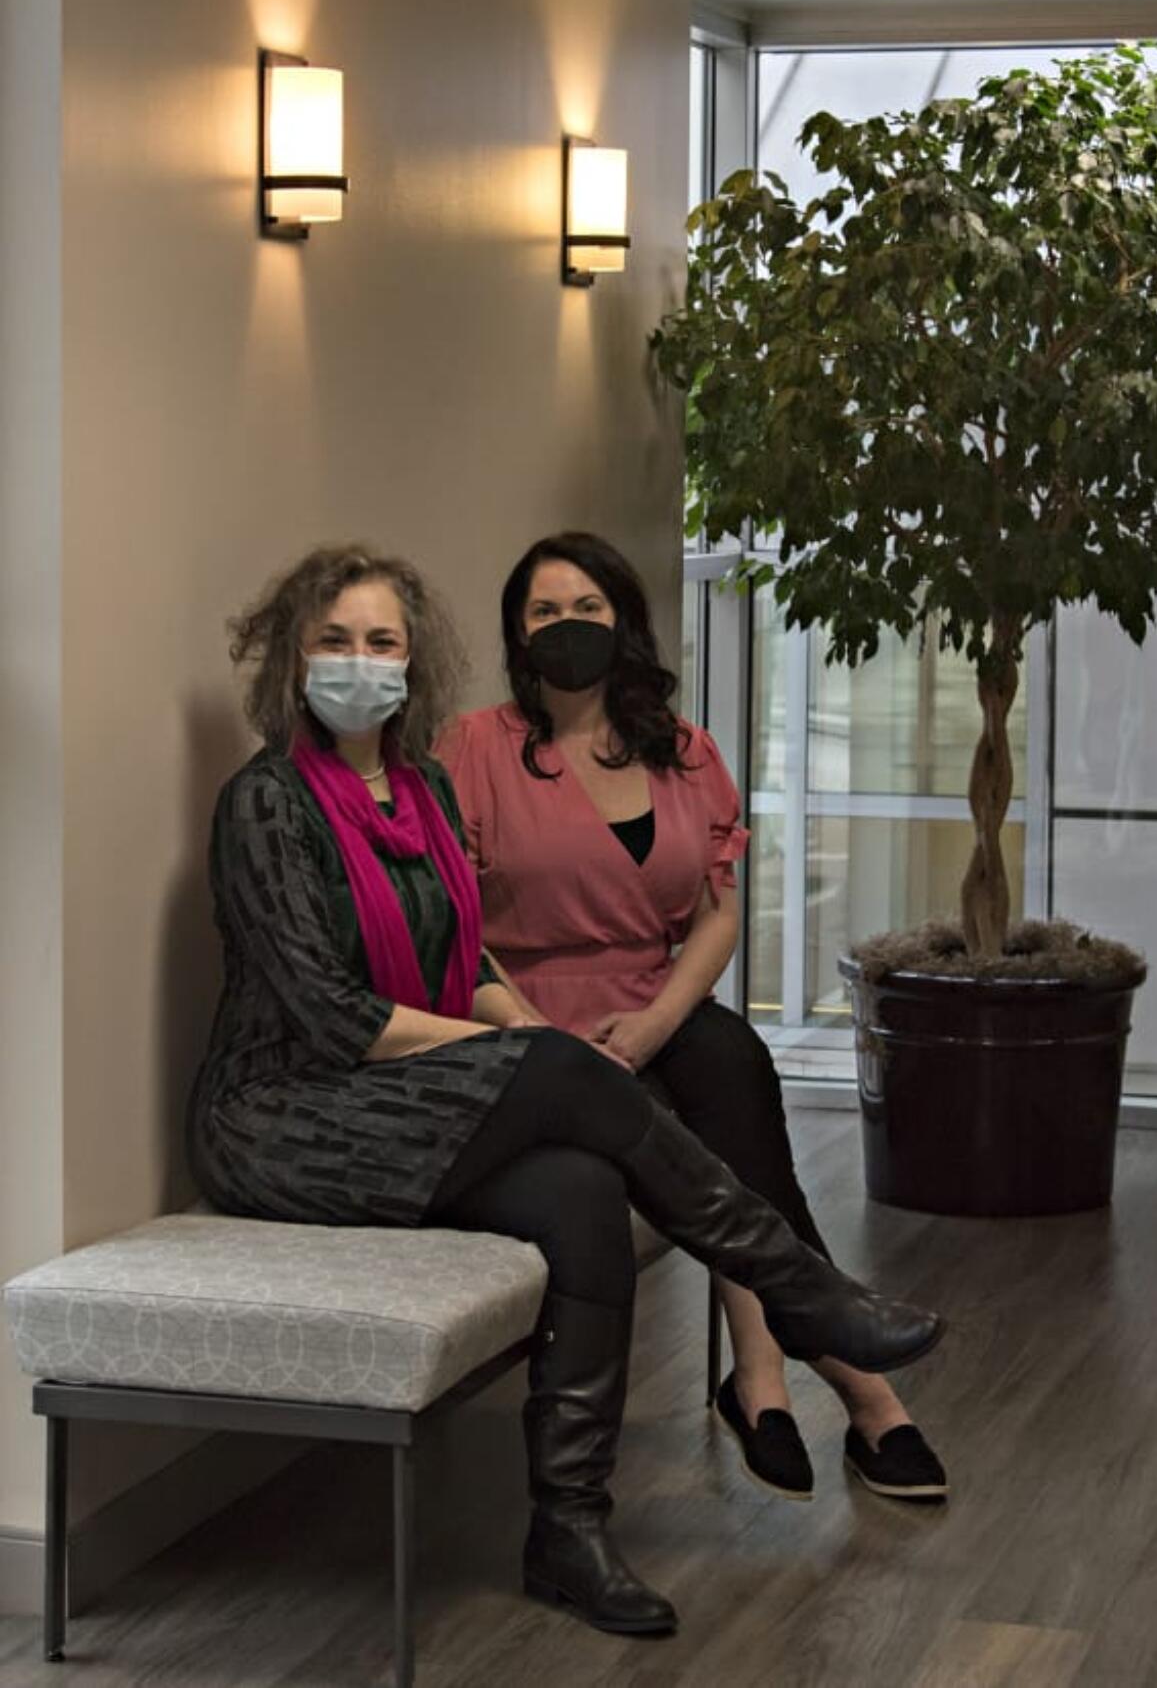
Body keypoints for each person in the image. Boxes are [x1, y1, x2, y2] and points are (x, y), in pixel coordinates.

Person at [188, 542, 944, 1641]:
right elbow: (331, 1017)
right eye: (334, 640)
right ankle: (795, 1289)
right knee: (560, 1075)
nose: (360, 661)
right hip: (286, 1113)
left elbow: (472, 959)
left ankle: (568, 1532)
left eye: (382, 641)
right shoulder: (262, 804)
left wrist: (526, 1031)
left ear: (415, 659)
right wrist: (527, 1056)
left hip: (398, 1102)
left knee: (583, 1191)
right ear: (290, 660)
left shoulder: (422, 785)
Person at [436, 531, 948, 1504]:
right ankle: (846, 1376)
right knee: (692, 1130)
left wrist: (657, 1020)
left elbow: (716, 909)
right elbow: (450, 932)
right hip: (525, 1021)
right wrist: (540, 1033)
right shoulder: (473, 749)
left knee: (731, 1069)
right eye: (542, 612)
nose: (565, 628)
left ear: (622, 622)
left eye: (585, 608)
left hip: (653, 1002)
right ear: (514, 633)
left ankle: (767, 1371)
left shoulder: (681, 751)